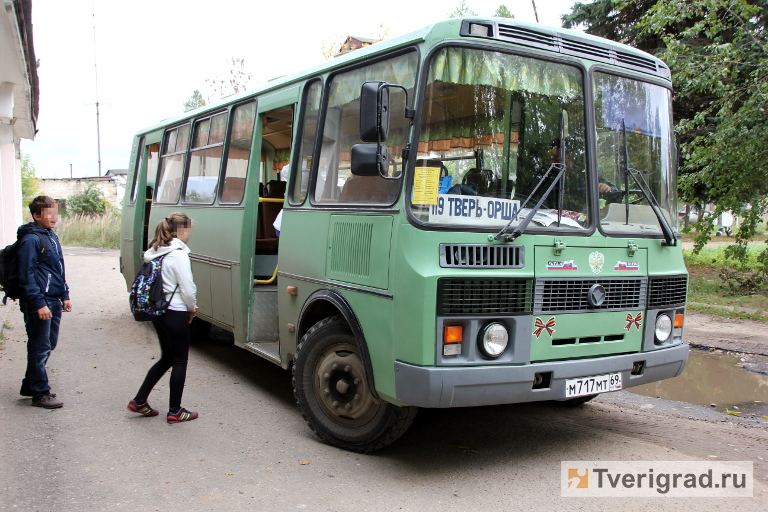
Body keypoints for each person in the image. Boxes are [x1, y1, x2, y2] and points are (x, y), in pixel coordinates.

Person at [127, 212, 199, 423]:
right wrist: (191, 308)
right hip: (176, 311)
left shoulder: (155, 251)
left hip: (159, 312)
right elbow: (187, 288)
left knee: (167, 357)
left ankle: (139, 400)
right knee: (179, 360)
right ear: (183, 230)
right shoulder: (178, 255)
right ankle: (175, 410)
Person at [18, 196, 72, 409]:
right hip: (39, 302)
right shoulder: (31, 240)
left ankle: (30, 385)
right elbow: (26, 274)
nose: (53, 217)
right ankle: (40, 393)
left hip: (53, 299)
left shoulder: (50, 236)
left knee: (48, 344)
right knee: (39, 348)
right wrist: (39, 302)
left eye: (55, 212)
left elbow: (58, 268)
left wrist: (65, 294)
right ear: (36, 215)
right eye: (48, 213)